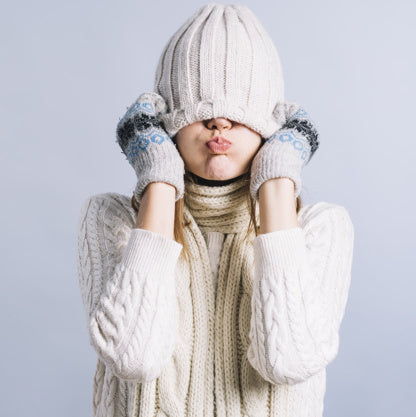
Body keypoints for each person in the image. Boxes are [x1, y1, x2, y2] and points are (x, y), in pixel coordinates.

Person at [76, 3, 354, 416]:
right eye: (200, 107)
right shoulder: (111, 219)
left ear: (269, 127)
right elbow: (134, 357)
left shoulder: (321, 228)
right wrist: (159, 180)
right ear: (166, 122)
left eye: (242, 111)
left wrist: (277, 183)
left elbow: (289, 360)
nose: (220, 122)